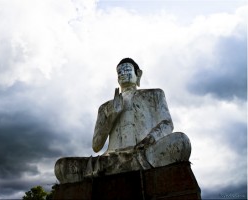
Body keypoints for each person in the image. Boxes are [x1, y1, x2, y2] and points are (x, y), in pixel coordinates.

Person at [55, 58, 191, 184]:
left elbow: (167, 124)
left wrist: (149, 140)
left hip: (145, 153)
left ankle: (126, 164)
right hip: (111, 158)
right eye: (118, 72)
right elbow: (96, 145)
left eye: (126, 70)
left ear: (138, 74)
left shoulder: (154, 94)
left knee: (182, 141)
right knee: (62, 166)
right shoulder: (105, 107)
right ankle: (127, 164)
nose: (121, 74)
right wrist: (112, 116)